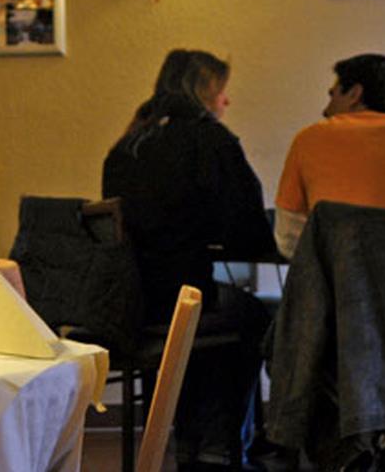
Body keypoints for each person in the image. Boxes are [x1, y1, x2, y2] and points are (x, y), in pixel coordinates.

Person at [103, 49, 276, 471]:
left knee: (221, 309)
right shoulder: (211, 141)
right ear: (203, 92)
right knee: (261, 314)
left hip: (134, 304)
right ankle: (229, 443)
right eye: (221, 92)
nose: (226, 102)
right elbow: (250, 234)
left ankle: (183, 434)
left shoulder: (128, 145)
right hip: (187, 301)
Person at [274, 53, 385, 259]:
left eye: (332, 95)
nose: (326, 110)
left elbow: (288, 241)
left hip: (336, 285)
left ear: (355, 94)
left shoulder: (309, 139)